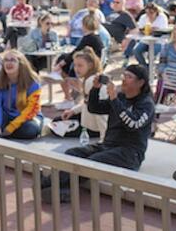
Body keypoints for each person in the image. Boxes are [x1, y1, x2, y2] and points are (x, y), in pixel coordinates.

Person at [40, 64, 155, 204]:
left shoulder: (146, 104)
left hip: (130, 153)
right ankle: (57, 187)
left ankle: (51, 185)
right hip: (108, 145)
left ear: (141, 82)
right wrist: (95, 89)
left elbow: (132, 124)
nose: (124, 79)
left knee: (92, 162)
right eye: (123, 76)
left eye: (129, 77)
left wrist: (114, 100)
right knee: (72, 153)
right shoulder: (120, 97)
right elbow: (95, 108)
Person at [0, 50, 43, 140]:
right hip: (7, 115)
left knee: (31, 130)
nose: (9, 63)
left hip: (28, 118)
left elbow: (32, 109)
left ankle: (3, 132)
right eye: (6, 60)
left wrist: (11, 127)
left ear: (21, 64)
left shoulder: (32, 82)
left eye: (13, 60)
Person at [51, 49, 107, 139]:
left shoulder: (92, 81)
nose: (76, 69)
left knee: (56, 127)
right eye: (75, 65)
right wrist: (73, 111)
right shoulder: (88, 78)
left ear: (90, 66)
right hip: (88, 117)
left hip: (93, 127)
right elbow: (87, 103)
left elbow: (100, 111)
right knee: (57, 121)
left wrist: (104, 137)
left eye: (80, 66)